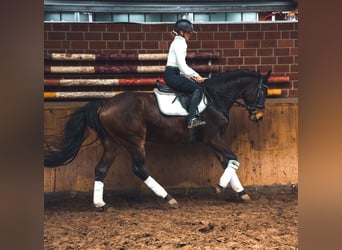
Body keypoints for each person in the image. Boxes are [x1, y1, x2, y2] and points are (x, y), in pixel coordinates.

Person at [164, 19, 206, 129]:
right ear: (181, 32)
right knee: (197, 89)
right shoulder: (179, 43)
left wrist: (193, 75)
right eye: (189, 32)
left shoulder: (180, 42)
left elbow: (182, 67)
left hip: (175, 73)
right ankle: (192, 119)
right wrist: (195, 76)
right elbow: (182, 65)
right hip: (172, 75)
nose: (190, 35)